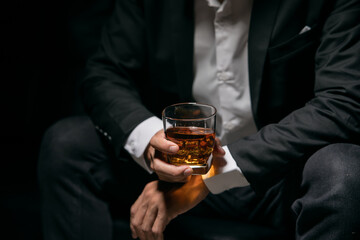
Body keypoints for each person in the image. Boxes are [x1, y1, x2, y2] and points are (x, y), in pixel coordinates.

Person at [38, 0, 360, 239]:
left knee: (345, 174)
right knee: (67, 146)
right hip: (176, 168)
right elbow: (105, 72)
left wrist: (211, 175)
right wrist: (151, 142)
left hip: (279, 176)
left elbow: (342, 101)